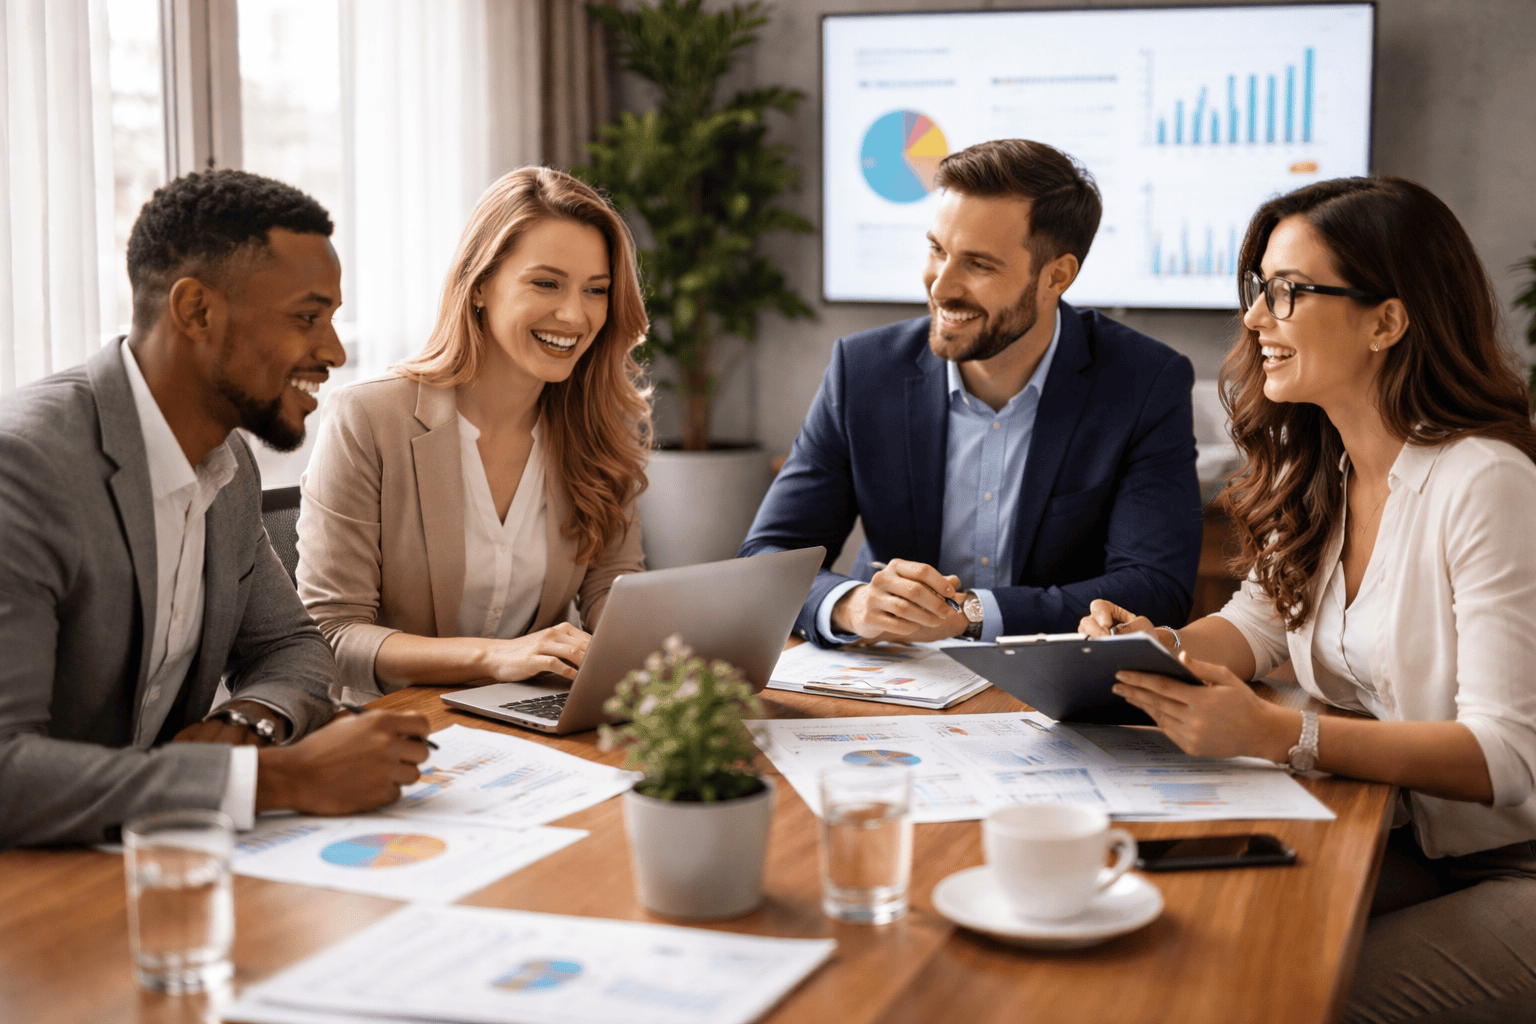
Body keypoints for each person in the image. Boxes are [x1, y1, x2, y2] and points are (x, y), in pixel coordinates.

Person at [1082, 176, 1536, 1023]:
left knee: (1293, 998)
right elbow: (1256, 623)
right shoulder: (1328, 468)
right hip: (1418, 837)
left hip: (1519, 862)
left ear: (1386, 322)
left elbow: (1504, 758)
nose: (1256, 319)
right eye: (1259, 290)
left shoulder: (1486, 481)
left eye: (1287, 292)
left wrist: (1283, 734)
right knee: (1198, 934)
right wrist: (1157, 649)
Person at [0, 169, 432, 850]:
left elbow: (290, 646)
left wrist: (249, 722)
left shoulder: (226, 466)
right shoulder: (22, 468)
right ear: (197, 311)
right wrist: (273, 781)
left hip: (145, 860)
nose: (334, 352)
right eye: (307, 317)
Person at [740, 139, 1202, 646]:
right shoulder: (864, 371)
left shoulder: (1143, 382)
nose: (941, 286)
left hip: (1052, 684)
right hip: (893, 677)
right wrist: (851, 604)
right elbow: (769, 555)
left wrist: (974, 614)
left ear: (1056, 276)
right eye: (938, 250)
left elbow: (1155, 586)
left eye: (979, 265)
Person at [297, 167, 650, 704]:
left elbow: (610, 586)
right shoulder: (367, 419)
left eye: (595, 291)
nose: (574, 314)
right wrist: (493, 657)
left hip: (541, 717)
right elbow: (331, 633)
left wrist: (659, 640)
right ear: (481, 284)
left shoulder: (597, 425)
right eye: (546, 283)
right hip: (401, 726)